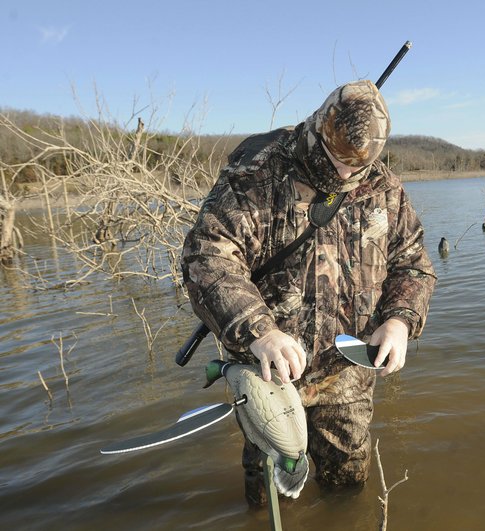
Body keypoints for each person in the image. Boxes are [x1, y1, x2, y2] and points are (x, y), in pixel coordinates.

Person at [181, 79, 436, 507]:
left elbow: (412, 263)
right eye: (337, 161)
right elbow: (207, 259)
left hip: (348, 369)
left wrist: (399, 320)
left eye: (357, 167)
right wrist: (260, 331)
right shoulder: (258, 174)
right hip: (270, 371)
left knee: (348, 486)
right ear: (319, 130)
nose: (345, 175)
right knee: (266, 493)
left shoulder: (384, 188)